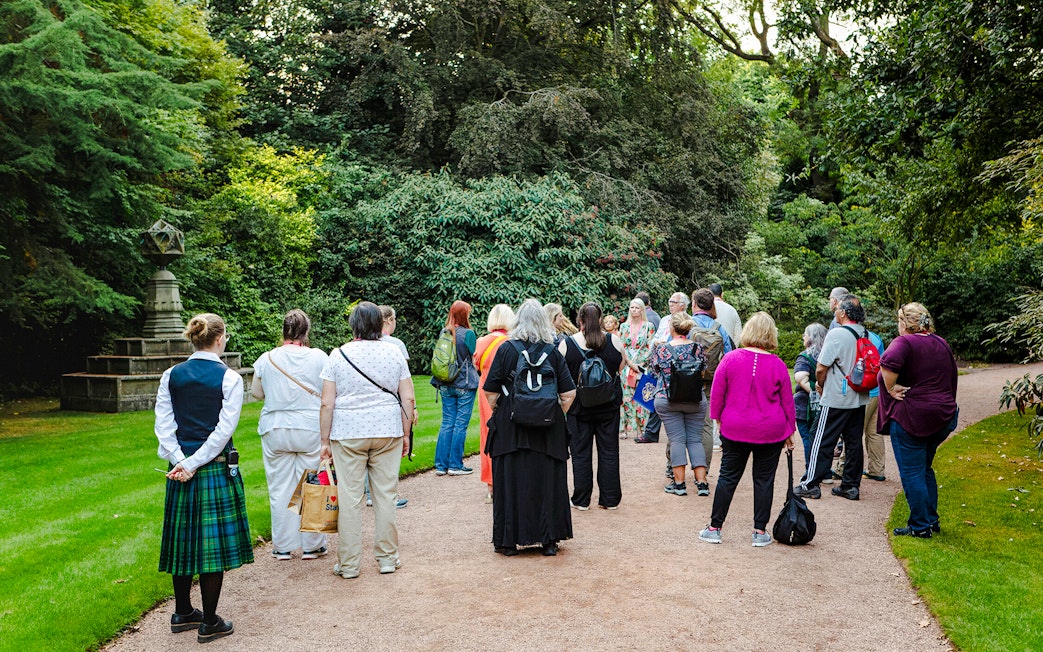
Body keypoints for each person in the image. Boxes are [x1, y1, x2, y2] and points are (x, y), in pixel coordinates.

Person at [155, 313, 251, 643]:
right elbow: (224, 432)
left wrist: (181, 461)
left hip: (180, 470)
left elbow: (163, 426)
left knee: (183, 539)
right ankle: (209, 621)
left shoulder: (171, 374)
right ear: (220, 338)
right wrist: (193, 463)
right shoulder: (230, 378)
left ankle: (183, 612)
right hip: (211, 467)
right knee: (210, 547)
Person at [320, 302, 413, 579]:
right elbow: (407, 397)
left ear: (353, 325)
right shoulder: (393, 352)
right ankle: (387, 558)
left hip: (348, 431)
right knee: (386, 495)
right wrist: (406, 433)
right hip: (387, 428)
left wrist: (324, 440)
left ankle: (349, 564)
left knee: (350, 498)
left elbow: (327, 402)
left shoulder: (338, 354)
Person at [484, 298, 577, 556]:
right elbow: (569, 393)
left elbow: (490, 392)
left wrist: (508, 411)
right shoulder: (553, 351)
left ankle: (509, 541)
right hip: (547, 431)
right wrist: (549, 413)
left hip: (511, 430)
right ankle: (548, 540)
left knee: (510, 482)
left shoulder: (505, 350)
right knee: (547, 482)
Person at [699, 312, 796, 546]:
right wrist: (790, 432)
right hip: (770, 429)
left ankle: (715, 527)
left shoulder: (731, 359)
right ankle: (759, 532)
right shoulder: (778, 364)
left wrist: (719, 420)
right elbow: (787, 402)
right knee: (764, 480)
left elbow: (718, 394)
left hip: (735, 427)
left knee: (728, 477)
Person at [251, 309, 329, 561]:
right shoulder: (318, 357)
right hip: (310, 426)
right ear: (306, 332)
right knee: (312, 485)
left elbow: (257, 393)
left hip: (276, 428)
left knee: (280, 487)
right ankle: (312, 545)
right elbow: (328, 391)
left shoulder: (267, 358)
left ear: (284, 330)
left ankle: (283, 546)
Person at [878, 303, 959, 538]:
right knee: (924, 469)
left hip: (912, 417)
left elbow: (887, 364)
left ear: (904, 323)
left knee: (912, 472)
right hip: (943, 416)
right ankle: (931, 520)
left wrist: (891, 388)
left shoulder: (904, 342)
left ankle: (920, 526)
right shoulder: (941, 342)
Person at [794, 294, 872, 500]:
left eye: (837, 309)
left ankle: (810, 483)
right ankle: (850, 485)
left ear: (844, 313)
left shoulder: (837, 334)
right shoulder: (864, 333)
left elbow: (821, 366)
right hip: (859, 395)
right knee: (853, 441)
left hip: (837, 395)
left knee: (821, 439)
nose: (835, 312)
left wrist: (820, 384)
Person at [559, 302, 625, 510]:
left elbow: (561, 375)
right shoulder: (614, 341)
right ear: (600, 320)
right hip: (608, 405)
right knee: (609, 451)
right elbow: (620, 368)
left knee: (580, 452)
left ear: (580, 321)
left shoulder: (567, 344)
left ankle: (581, 499)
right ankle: (610, 498)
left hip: (579, 407)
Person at [648, 311, 711, 497]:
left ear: (671, 328)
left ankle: (680, 484)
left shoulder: (662, 349)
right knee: (695, 440)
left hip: (668, 399)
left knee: (676, 440)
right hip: (695, 399)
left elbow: (654, 369)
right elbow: (703, 370)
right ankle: (702, 484)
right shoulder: (698, 348)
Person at [431, 300, 480, 476]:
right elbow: (474, 359)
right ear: (464, 315)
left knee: (447, 422)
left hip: (444, 383)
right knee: (460, 424)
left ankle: (441, 465)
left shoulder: (444, 332)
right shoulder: (468, 334)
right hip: (464, 383)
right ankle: (455, 465)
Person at [474, 304, 516, 503]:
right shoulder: (511, 342)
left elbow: (477, 365)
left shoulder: (482, 341)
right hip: (508, 392)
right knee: (509, 434)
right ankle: (508, 480)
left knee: (487, 435)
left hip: (485, 392)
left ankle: (491, 485)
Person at [636, 292, 691, 445]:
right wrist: (656, 342)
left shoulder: (689, 321)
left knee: (669, 397)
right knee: (658, 394)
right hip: (662, 360)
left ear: (683, 305)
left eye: (674, 301)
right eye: (670, 301)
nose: (670, 304)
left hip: (679, 364)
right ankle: (651, 432)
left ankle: (659, 432)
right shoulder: (665, 319)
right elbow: (655, 337)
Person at [374, 305, 413, 509]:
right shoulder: (396, 344)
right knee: (388, 453)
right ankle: (388, 494)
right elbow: (403, 380)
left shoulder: (362, 344)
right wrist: (410, 409)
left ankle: (370, 494)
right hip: (391, 403)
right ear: (389, 320)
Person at [691, 288, 733, 462]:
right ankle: (703, 467)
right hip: (711, 380)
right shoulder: (720, 328)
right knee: (706, 426)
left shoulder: (685, 324)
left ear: (694, 304)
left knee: (678, 424)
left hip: (686, 380)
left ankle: (674, 468)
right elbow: (729, 356)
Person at [619, 298, 655, 439]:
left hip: (641, 366)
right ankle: (625, 428)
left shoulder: (648, 326)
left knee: (641, 398)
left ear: (642, 310)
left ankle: (642, 429)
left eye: (637, 307)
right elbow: (621, 347)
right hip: (627, 366)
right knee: (626, 397)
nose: (634, 310)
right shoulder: (623, 327)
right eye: (632, 307)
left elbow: (650, 347)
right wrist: (628, 362)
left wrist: (639, 364)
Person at [793, 323, 828, 467]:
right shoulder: (827, 354)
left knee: (808, 439)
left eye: (805, 334)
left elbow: (800, 377)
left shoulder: (806, 356)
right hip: (825, 405)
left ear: (811, 337)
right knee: (823, 439)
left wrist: (814, 390)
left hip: (805, 407)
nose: (803, 336)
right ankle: (825, 471)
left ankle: (811, 470)